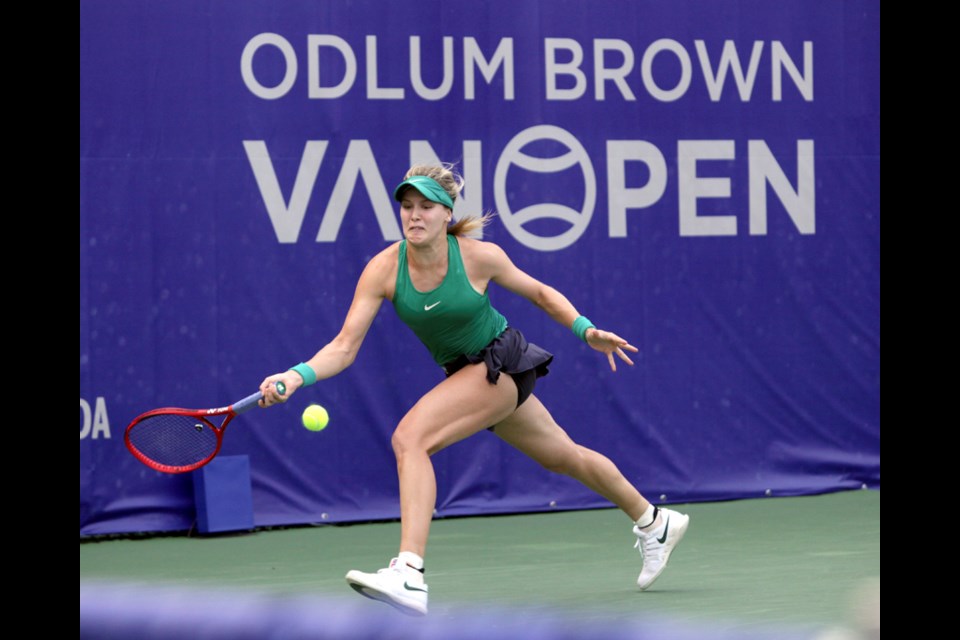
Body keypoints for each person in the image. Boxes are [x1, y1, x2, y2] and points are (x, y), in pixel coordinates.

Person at [257, 163, 690, 616]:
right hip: (466, 374)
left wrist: (586, 331)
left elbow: (540, 293)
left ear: (447, 214)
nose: (414, 215)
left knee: (410, 439)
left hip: (499, 363)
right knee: (564, 456)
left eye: (426, 206)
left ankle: (409, 571)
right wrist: (295, 375)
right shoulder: (384, 269)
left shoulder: (477, 257)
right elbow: (344, 347)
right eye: (407, 206)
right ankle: (655, 521)